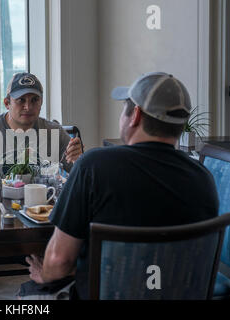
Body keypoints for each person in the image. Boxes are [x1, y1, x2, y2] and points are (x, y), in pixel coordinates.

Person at [24, 72, 220, 300]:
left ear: (135, 114)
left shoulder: (94, 166)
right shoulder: (204, 179)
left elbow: (59, 262)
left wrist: (44, 274)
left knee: (28, 294)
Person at [0, 72, 84, 300]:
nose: (27, 106)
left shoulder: (55, 133)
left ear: (41, 103)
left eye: (34, 100)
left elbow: (80, 184)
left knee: (78, 248)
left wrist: (78, 160)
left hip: (41, 228)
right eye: (21, 100)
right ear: (7, 102)